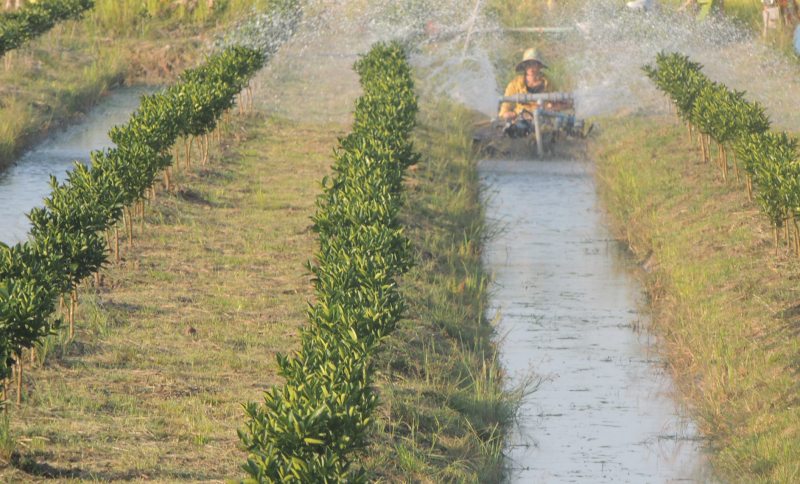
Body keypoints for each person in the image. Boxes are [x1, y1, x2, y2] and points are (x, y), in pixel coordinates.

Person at [499, 48, 550, 121]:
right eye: (527, 64)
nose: (530, 67)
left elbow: (561, 104)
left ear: (540, 65)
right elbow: (506, 106)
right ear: (524, 66)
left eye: (534, 63)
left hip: (543, 121)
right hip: (521, 121)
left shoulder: (548, 83)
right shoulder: (515, 83)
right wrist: (506, 114)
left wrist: (553, 107)